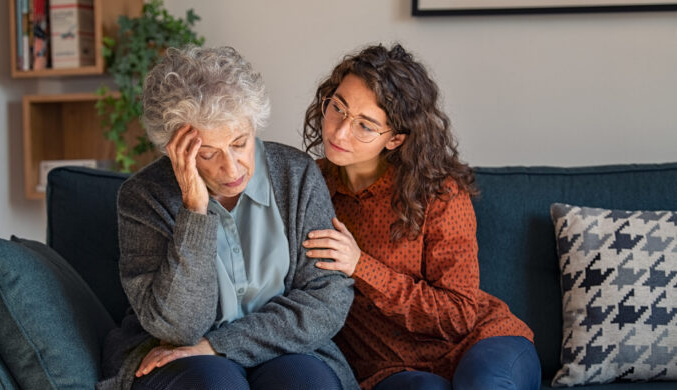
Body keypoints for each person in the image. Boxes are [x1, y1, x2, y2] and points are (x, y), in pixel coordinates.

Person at [96, 45, 358, 390]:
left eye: (239, 143)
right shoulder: (144, 197)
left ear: (254, 124)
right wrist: (194, 210)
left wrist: (219, 345)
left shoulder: (295, 176)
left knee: (305, 382)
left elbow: (325, 301)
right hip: (175, 355)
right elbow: (179, 330)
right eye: (207, 153)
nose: (232, 169)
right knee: (214, 382)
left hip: (286, 348)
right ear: (173, 148)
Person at [302, 43, 541, 390]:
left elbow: (459, 314)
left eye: (365, 126)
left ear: (396, 138)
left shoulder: (438, 193)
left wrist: (360, 266)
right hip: (388, 368)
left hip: (481, 343)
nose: (338, 132)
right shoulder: (307, 185)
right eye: (338, 107)